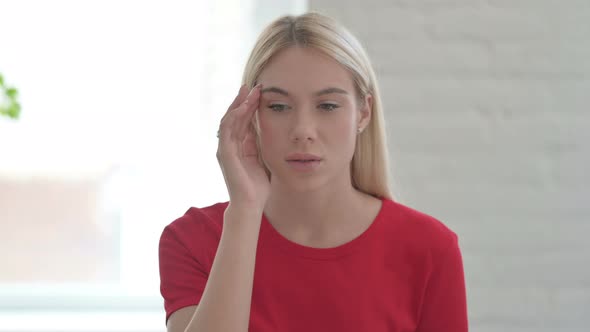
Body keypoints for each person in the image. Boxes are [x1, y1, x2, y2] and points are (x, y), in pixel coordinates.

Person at [159, 12, 468, 332]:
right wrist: (244, 211)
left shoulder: (431, 249)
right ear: (250, 115)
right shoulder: (191, 240)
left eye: (328, 106)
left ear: (363, 113)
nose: (303, 130)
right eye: (278, 107)